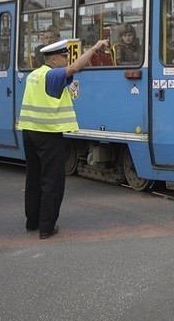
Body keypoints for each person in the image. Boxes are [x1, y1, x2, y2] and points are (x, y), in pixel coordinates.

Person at [19, 37, 109, 239]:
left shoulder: (34, 75)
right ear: (53, 59)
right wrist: (94, 47)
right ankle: (46, 228)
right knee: (52, 180)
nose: (66, 59)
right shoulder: (52, 76)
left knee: (33, 178)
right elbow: (76, 68)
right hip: (48, 134)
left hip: (29, 131)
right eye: (63, 56)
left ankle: (31, 222)